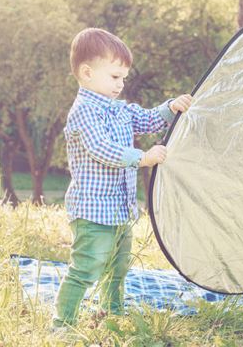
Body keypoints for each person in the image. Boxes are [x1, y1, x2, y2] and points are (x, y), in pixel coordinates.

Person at [52, 27, 192, 330]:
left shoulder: (118, 110)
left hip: (119, 211)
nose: (121, 84)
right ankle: (63, 323)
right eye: (115, 77)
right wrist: (143, 158)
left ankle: (111, 311)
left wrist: (171, 108)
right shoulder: (84, 112)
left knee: (117, 268)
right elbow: (102, 149)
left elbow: (147, 119)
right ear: (87, 73)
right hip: (92, 212)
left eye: (124, 78)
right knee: (87, 267)